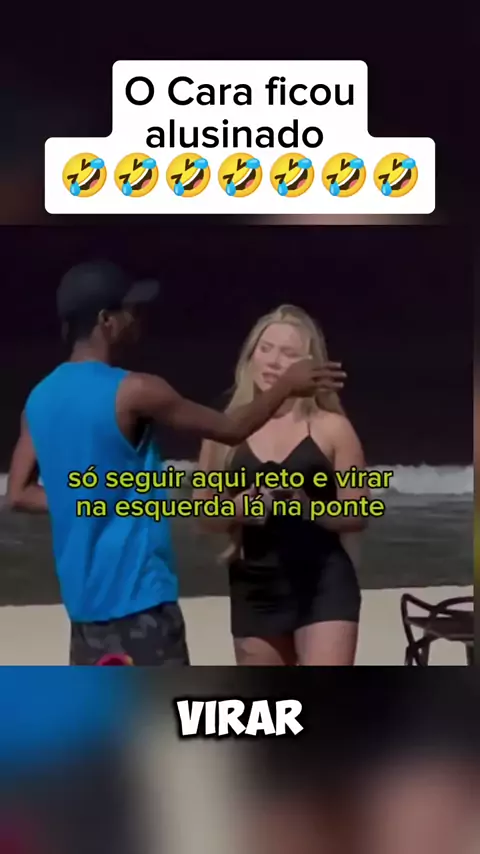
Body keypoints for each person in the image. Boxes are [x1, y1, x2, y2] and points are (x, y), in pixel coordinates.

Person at [6, 263, 344, 666]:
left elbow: (18, 494)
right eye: (130, 310)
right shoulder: (136, 390)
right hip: (142, 601)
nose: (137, 318)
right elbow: (232, 428)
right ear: (106, 321)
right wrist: (288, 384)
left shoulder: (39, 399)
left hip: (83, 613)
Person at [195, 305, 368, 666]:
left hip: (323, 582)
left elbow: (359, 513)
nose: (274, 362)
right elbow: (203, 514)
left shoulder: (332, 427)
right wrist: (236, 510)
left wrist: (308, 507)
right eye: (266, 348)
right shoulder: (223, 429)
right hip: (255, 587)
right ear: (250, 356)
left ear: (309, 366)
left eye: (289, 353)